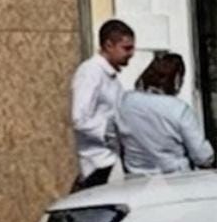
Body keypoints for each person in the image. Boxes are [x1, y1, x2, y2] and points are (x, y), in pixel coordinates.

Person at [111, 52, 215, 175]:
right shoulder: (179, 109)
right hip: (176, 181)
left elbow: (113, 140)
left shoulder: (125, 101)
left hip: (135, 180)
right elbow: (202, 157)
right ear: (176, 79)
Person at [70, 18, 135, 191]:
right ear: (108, 45)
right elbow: (79, 118)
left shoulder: (112, 78)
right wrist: (110, 132)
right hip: (98, 164)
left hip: (113, 161)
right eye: (126, 48)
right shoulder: (90, 72)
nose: (131, 53)